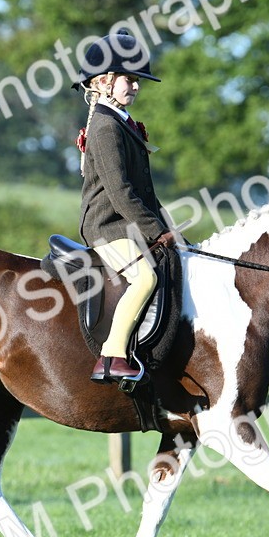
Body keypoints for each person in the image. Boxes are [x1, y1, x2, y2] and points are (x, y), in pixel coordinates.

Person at [73, 31, 174, 384]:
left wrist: (168, 226)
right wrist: (156, 230)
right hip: (106, 225)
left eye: (136, 81)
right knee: (144, 276)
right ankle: (112, 356)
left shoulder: (121, 122)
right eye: (129, 80)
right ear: (103, 82)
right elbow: (120, 191)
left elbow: (145, 190)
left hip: (126, 222)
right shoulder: (104, 126)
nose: (135, 87)